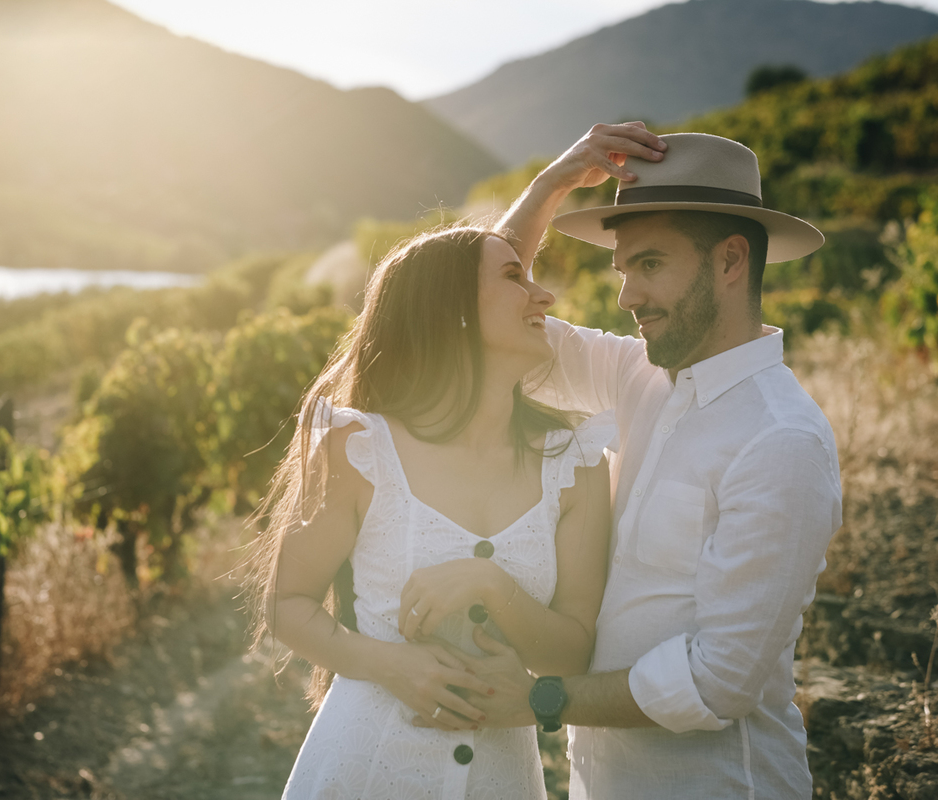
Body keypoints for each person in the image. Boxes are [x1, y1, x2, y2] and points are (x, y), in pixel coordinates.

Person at [413, 125, 843, 799]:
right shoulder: (637, 373)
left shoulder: (781, 440)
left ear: (730, 262)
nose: (626, 298)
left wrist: (540, 700)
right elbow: (481, 318)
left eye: (648, 265)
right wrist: (548, 187)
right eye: (623, 271)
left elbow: (718, 682)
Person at [245, 208, 626, 798]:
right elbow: (286, 602)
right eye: (514, 277)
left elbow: (572, 653)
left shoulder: (575, 465)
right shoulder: (360, 448)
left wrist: (488, 583)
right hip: (362, 770)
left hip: (499, 779)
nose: (543, 295)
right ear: (453, 312)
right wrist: (392, 665)